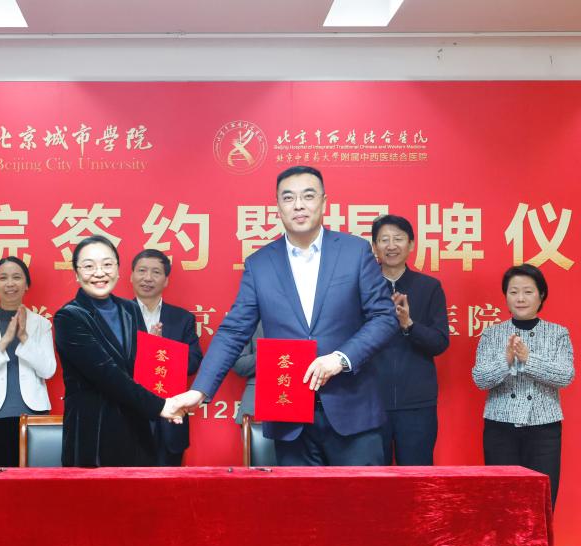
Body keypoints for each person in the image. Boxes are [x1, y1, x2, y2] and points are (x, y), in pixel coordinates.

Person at [173, 166, 398, 466]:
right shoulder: (260, 264)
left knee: (361, 498)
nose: (299, 205)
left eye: (308, 196)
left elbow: (384, 317)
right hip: (289, 414)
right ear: (278, 207)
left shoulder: (354, 252)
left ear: (324, 202)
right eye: (288, 198)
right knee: (297, 498)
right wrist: (199, 391)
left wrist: (341, 358)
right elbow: (233, 332)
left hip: (353, 411)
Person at [54, 236, 185, 467]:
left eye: (107, 264)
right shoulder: (69, 316)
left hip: (136, 429)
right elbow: (106, 374)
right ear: (76, 273)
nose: (99, 273)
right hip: (93, 432)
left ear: (117, 268)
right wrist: (162, 406)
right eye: (89, 266)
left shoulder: (130, 309)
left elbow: (139, 369)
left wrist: (153, 353)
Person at [472, 263, 575, 508]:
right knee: (501, 499)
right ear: (506, 296)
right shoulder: (491, 334)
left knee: (541, 499)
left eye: (528, 292)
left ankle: (538, 537)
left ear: (541, 296)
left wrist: (529, 359)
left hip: (544, 429)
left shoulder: (558, 333)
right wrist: (506, 361)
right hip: (500, 428)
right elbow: (480, 379)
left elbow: (565, 376)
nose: (520, 298)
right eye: (513, 292)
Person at [370, 215, 450, 465]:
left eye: (398, 239)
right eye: (384, 240)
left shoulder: (429, 287)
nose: (391, 246)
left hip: (417, 404)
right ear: (374, 247)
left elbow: (440, 342)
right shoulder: (364, 287)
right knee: (371, 480)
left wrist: (409, 325)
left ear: (411, 244)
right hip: (371, 402)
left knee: (417, 478)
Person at [0, 257, 56, 467]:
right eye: (3, 278)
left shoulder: (42, 324)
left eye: (17, 277)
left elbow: (48, 370)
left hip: (33, 416)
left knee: (34, 482)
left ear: (26, 284)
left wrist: (24, 337)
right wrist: (5, 340)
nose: (10, 283)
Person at [130, 249, 204, 466]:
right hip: (129, 418)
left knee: (169, 482)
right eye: (142, 271)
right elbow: (110, 365)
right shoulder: (117, 315)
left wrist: (162, 349)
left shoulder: (182, 319)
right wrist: (148, 348)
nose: (147, 278)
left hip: (170, 422)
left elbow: (193, 362)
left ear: (166, 280)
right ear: (131, 276)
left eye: (156, 272)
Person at [231, 323, 263, 425]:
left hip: (302, 395)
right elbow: (239, 365)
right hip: (257, 400)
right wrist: (268, 353)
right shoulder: (254, 320)